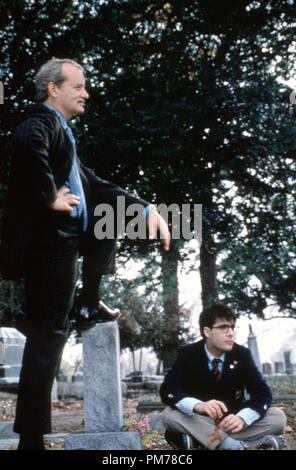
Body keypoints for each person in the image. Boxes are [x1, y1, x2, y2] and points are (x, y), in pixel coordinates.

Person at [0, 58, 170, 450]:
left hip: (69, 236)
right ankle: (30, 439)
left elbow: (95, 184)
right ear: (53, 89)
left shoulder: (62, 134)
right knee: (49, 336)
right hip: (48, 246)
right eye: (78, 86)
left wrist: (145, 208)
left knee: (109, 215)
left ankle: (89, 302)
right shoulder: (38, 120)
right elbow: (26, 145)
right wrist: (49, 196)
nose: (86, 93)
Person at [160, 304, 286, 450]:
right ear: (207, 331)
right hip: (198, 419)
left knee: (278, 417)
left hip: (232, 421)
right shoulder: (188, 353)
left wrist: (243, 418)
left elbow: (262, 393)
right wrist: (198, 405)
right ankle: (237, 445)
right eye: (223, 327)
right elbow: (168, 389)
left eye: (232, 327)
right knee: (169, 415)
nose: (231, 333)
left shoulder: (242, 354)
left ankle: (202, 442)